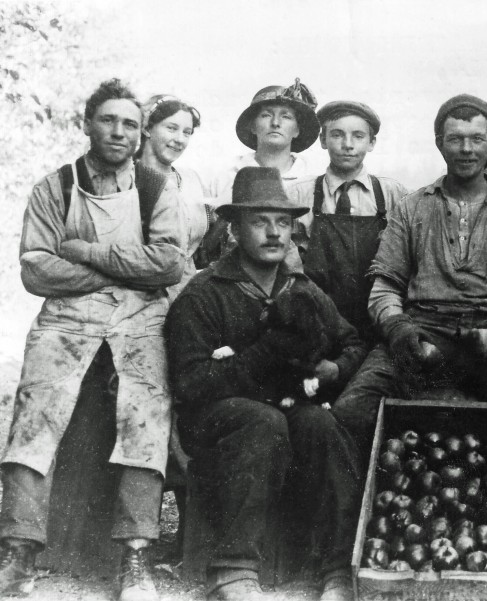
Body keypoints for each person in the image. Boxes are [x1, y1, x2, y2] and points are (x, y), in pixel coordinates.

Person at [331, 94, 487, 562]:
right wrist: (400, 332)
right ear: (439, 144)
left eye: (477, 138)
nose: (466, 148)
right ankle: (352, 533)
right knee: (351, 411)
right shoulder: (412, 208)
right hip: (424, 330)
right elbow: (384, 284)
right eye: (455, 139)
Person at [1, 78, 184, 601]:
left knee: (144, 417)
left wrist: (85, 252)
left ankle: (136, 558)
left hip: (139, 319)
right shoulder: (53, 188)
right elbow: (36, 270)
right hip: (67, 319)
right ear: (87, 124)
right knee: (36, 415)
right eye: (108, 119)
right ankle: (19, 551)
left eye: (130, 123)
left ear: (140, 131)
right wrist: (120, 272)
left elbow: (168, 262)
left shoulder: (155, 189)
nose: (119, 131)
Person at [166, 167, 365, 601]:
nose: (275, 233)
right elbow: (191, 385)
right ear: (234, 230)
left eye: (283, 223)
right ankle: (232, 571)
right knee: (262, 420)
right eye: (260, 222)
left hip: (283, 407)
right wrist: (267, 353)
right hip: (216, 419)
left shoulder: (302, 288)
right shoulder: (205, 293)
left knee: (321, 426)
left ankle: (334, 567)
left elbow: (351, 342)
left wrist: (333, 369)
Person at [293, 100, 408, 345]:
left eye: (358, 136)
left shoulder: (393, 194)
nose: (348, 145)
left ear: (372, 142)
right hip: (320, 320)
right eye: (337, 135)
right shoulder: (299, 195)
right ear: (323, 141)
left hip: (378, 318)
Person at [199, 79, 319, 266]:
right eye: (266, 115)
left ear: (297, 130)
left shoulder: (313, 180)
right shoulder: (226, 176)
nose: (276, 123)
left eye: (286, 116)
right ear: (252, 126)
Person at [136, 94, 209, 300]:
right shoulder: (126, 179)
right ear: (147, 128)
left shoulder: (192, 180)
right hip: (137, 297)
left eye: (187, 132)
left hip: (184, 295)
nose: (180, 139)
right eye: (171, 128)